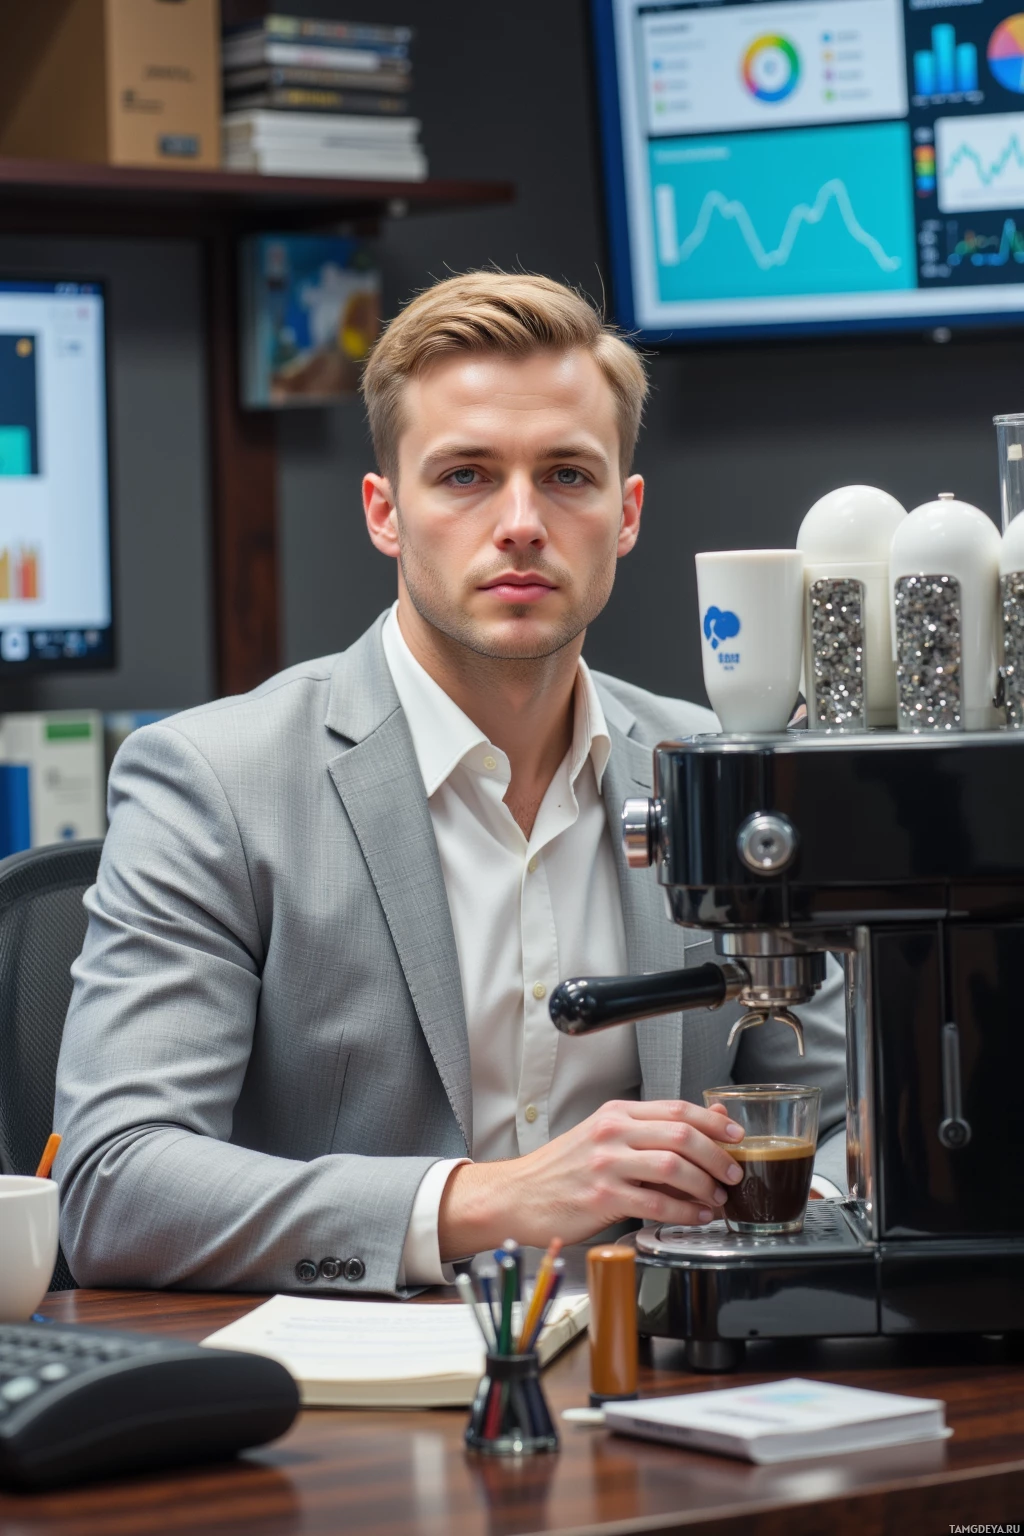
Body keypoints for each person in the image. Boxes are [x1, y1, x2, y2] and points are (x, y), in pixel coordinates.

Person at [54, 272, 846, 1293]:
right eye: (465, 476)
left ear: (627, 512)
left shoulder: (726, 772)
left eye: (567, 475)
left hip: (665, 1366)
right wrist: (491, 1201)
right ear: (385, 512)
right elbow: (116, 1186)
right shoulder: (212, 781)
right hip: (347, 1405)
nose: (520, 522)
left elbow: (842, 1123)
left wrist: (785, 1223)